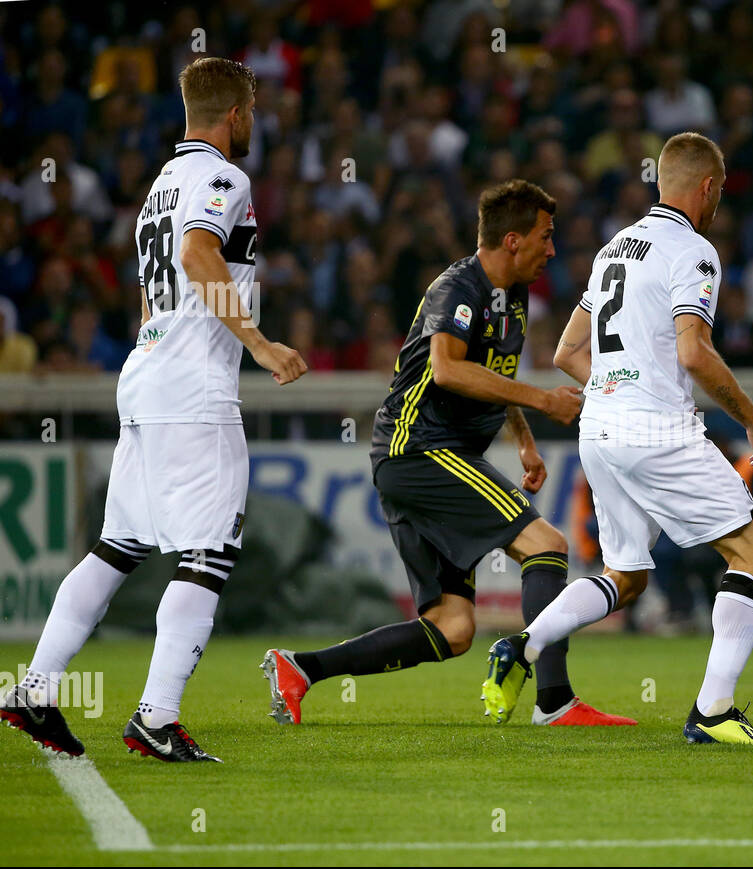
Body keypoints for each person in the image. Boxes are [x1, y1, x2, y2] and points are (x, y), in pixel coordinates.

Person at [0, 57, 308, 761]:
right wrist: (258, 341)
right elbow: (199, 256)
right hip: (192, 388)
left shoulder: (161, 186)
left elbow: (153, 289)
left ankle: (35, 690)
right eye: (252, 110)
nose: (254, 122)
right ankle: (156, 718)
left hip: (148, 374)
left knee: (118, 547)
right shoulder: (224, 178)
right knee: (211, 552)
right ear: (235, 114)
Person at [261, 180, 634, 728]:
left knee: (452, 628)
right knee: (546, 546)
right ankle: (554, 701)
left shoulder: (517, 293)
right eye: (545, 237)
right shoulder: (457, 288)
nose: (552, 250)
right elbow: (448, 369)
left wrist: (525, 441)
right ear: (512, 239)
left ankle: (300, 669)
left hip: (422, 460)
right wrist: (544, 400)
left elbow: (494, 376)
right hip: (417, 450)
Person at [479, 132, 753, 744]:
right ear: (705, 188)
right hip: (656, 431)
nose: (719, 200)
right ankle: (714, 711)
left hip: (602, 429)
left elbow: (567, 352)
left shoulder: (615, 248)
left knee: (626, 573)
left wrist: (622, 387)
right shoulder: (693, 251)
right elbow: (695, 353)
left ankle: (523, 641)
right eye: (719, 189)